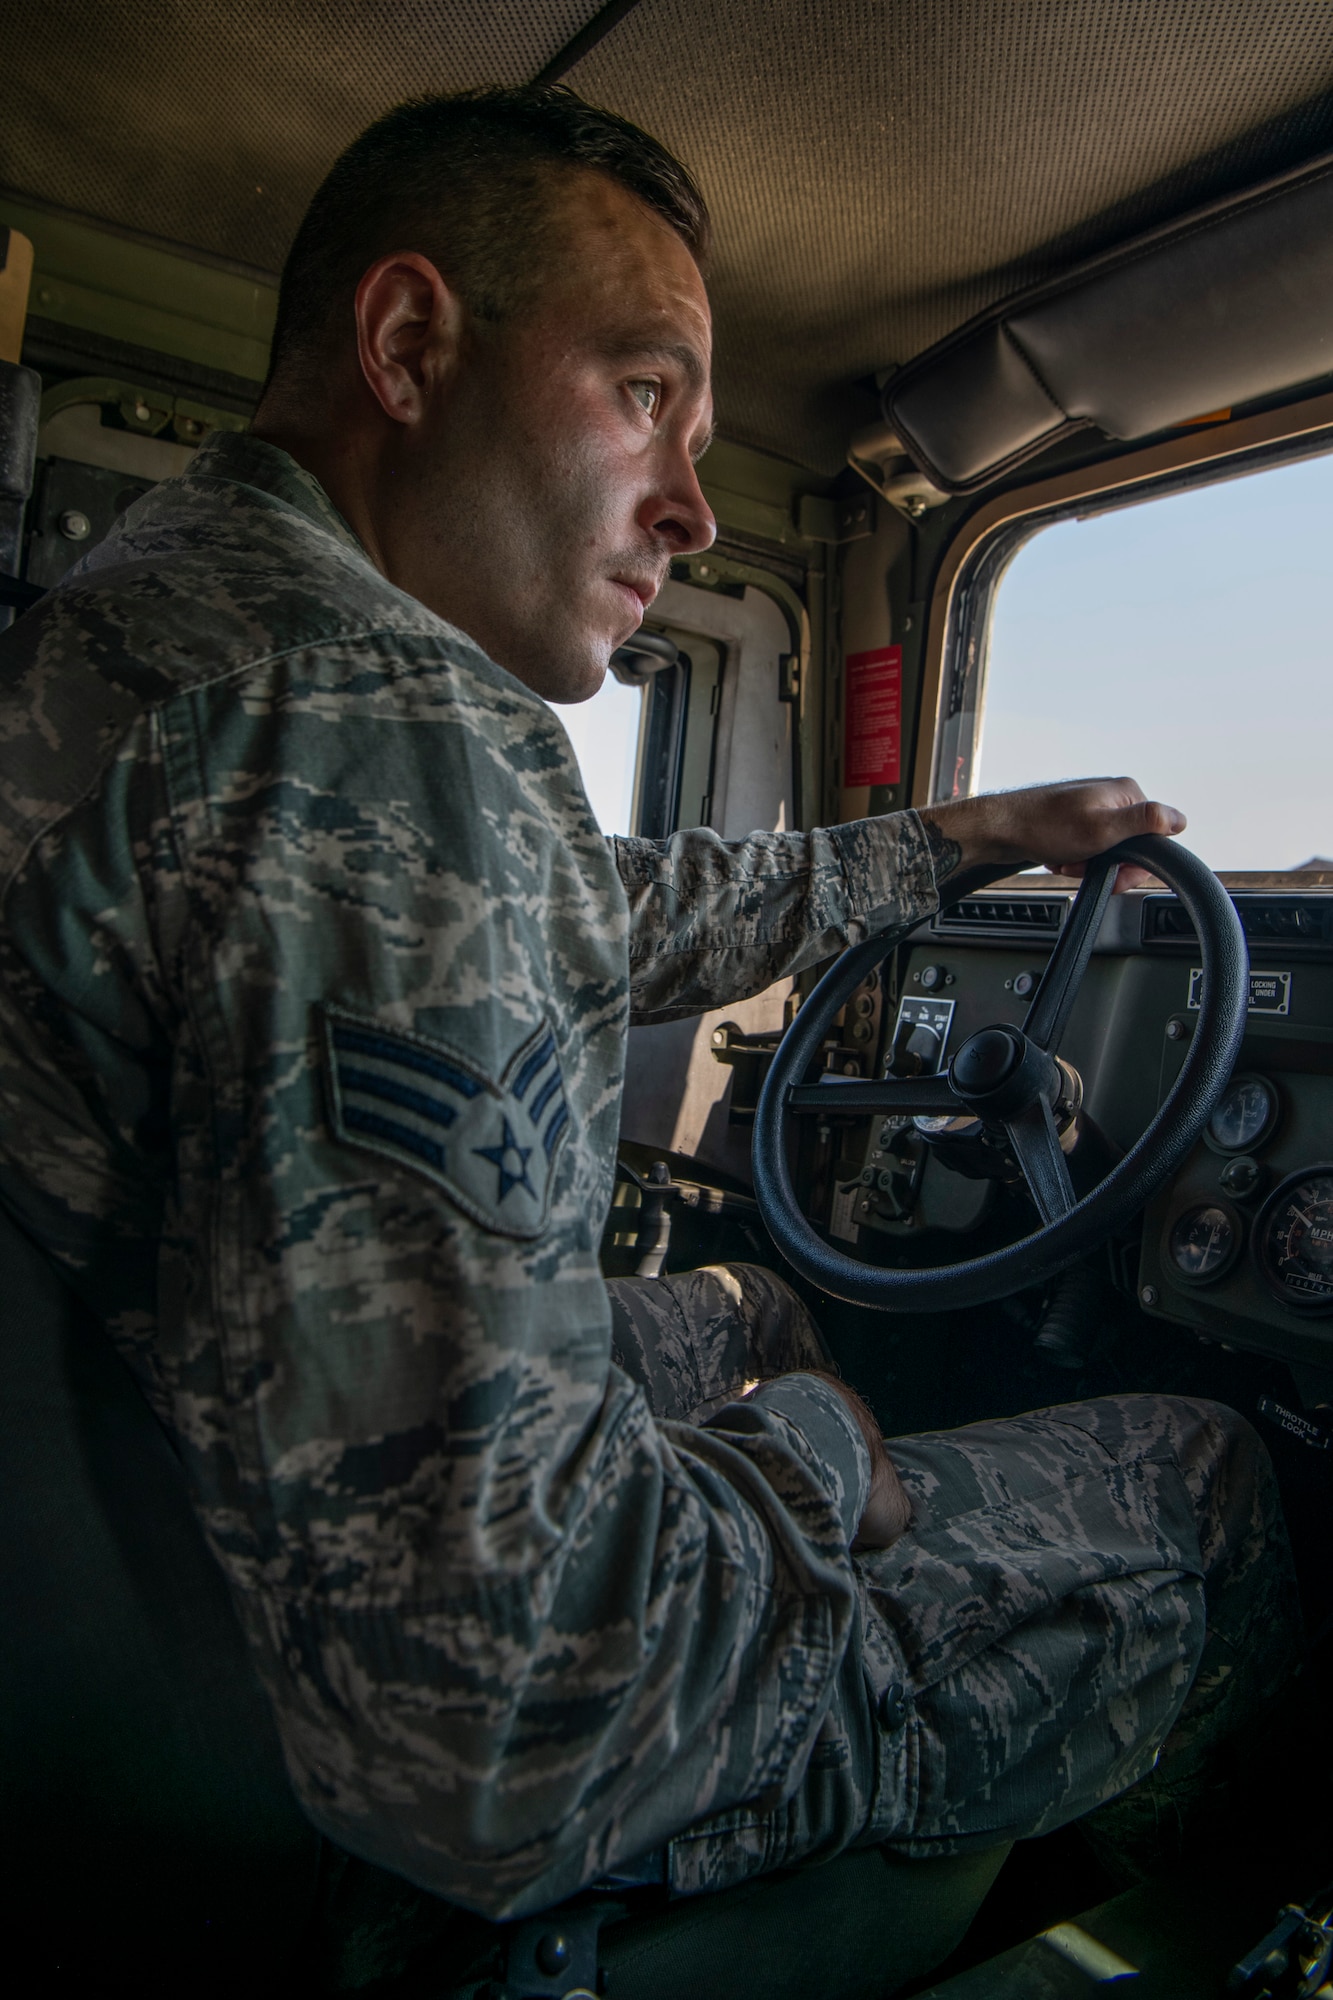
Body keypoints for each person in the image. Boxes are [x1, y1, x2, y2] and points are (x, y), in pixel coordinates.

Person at [0, 83, 1297, 1947]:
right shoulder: (371, 723)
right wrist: (814, 1463)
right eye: (643, 391)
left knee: (759, 1302)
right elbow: (502, 1704)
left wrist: (952, 842)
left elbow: (584, 915)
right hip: (344, 1763)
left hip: (133, 1563)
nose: (692, 501)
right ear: (407, 345)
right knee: (1203, 1471)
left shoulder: (165, 628)